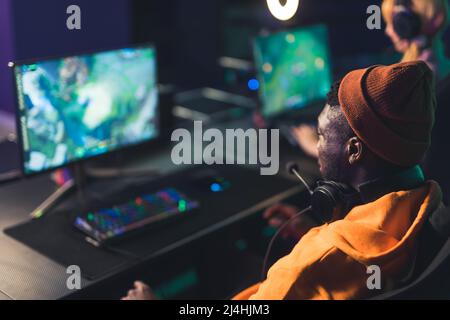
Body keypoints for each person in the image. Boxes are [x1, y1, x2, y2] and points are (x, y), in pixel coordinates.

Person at [122, 61, 443, 300]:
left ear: (354, 150)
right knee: (225, 258)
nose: (315, 147)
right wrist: (317, 232)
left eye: (320, 136)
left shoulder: (309, 265)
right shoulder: (430, 205)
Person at [293, 0, 450, 161]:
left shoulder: (409, 88)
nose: (388, 31)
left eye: (394, 23)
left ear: (408, 25)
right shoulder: (442, 68)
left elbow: (376, 158)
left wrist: (314, 145)